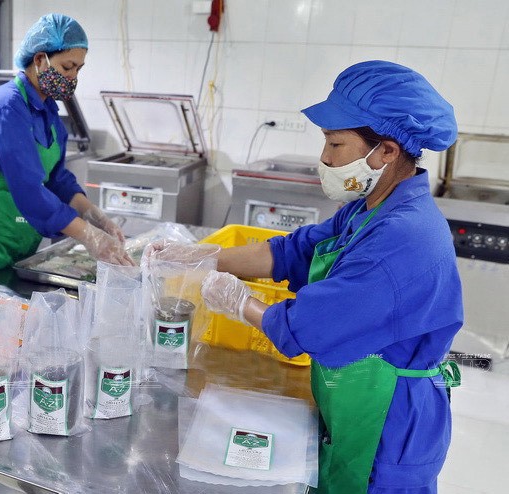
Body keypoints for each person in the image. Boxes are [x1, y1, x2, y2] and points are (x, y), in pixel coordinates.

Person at [198, 61, 463, 493]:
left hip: (390, 421)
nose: (324, 159)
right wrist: (204, 256)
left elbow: (309, 326)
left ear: (387, 151)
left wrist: (237, 301)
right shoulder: (374, 207)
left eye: (335, 144)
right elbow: (294, 251)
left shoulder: (401, 238)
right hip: (360, 395)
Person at [0, 13, 132, 289]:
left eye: (78, 69)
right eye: (67, 67)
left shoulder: (48, 111)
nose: (72, 77)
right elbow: (28, 187)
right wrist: (87, 235)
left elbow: (56, 179)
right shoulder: (8, 106)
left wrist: (93, 214)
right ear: (40, 60)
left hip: (19, 234)